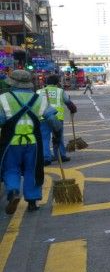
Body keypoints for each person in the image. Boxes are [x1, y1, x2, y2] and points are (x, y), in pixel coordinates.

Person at [0, 70, 62, 214]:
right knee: (32, 170)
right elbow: (52, 120)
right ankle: (32, 202)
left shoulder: (3, 99)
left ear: (11, 83)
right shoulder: (39, 99)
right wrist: (57, 133)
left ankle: (14, 191)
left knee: (11, 169)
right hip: (33, 144)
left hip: (11, 144)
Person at [36, 75, 77, 165]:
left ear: (46, 82)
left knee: (44, 138)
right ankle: (61, 156)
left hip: (43, 118)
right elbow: (67, 102)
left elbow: (35, 105)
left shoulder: (39, 92)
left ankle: (46, 158)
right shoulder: (60, 91)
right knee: (58, 137)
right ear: (57, 82)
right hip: (57, 118)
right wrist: (73, 109)